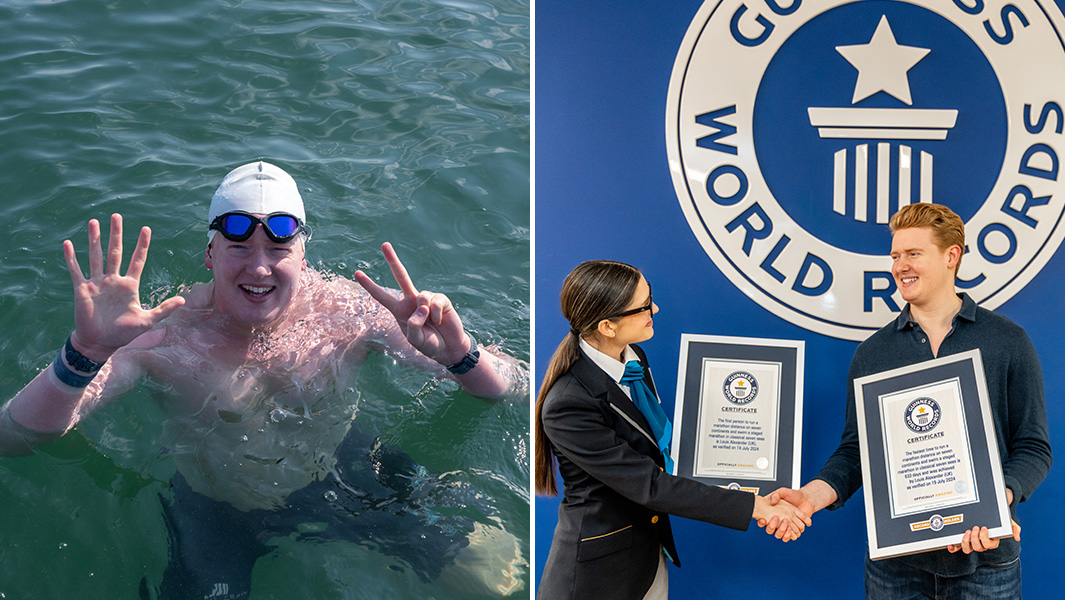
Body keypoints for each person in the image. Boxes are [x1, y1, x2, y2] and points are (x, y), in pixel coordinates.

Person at [0, 161, 528, 598]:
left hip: (346, 469)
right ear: (210, 254)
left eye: (277, 249)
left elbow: (515, 386)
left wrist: (461, 355)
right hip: (218, 509)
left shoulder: (349, 310)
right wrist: (84, 352)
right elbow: (13, 439)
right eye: (239, 248)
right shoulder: (165, 336)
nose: (259, 268)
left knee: (499, 575)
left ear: (303, 252)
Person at [763, 203, 1051, 598]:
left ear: (952, 256)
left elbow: (1033, 448)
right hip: (897, 570)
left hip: (986, 562)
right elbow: (855, 453)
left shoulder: (1007, 341)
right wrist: (810, 497)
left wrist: (995, 504)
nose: (900, 266)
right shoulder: (873, 353)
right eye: (896, 255)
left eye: (913, 253)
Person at [534, 259, 810, 600]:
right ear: (607, 326)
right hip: (599, 578)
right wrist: (755, 506)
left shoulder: (635, 359)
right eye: (644, 306)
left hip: (648, 558)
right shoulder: (568, 404)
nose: (656, 308)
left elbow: (658, 452)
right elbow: (649, 484)